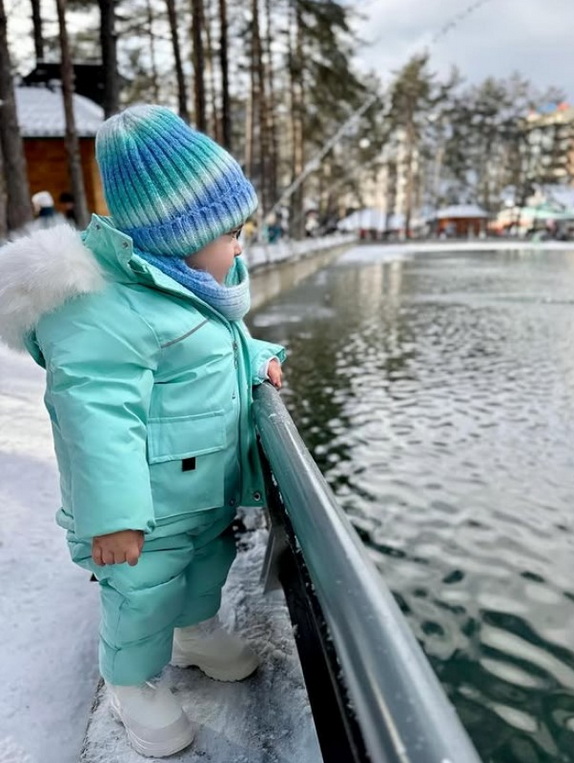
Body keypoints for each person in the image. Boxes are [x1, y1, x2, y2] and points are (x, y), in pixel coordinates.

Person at [0, 105, 285, 758]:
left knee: (205, 569)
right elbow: (95, 419)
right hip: (145, 512)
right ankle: (130, 680)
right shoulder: (105, 313)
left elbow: (216, 348)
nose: (241, 247)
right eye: (232, 234)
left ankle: (195, 631)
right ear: (183, 234)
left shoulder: (187, 290)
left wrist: (259, 356)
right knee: (142, 595)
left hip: (200, 495)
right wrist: (115, 516)